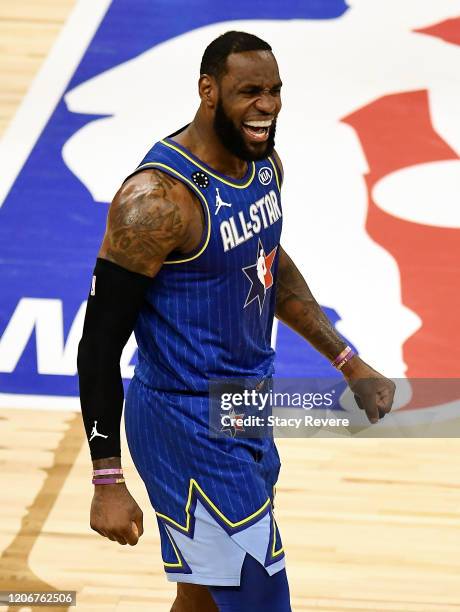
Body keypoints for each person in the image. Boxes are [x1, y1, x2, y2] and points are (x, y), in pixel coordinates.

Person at [77, 31, 395, 612]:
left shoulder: (264, 165)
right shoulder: (155, 202)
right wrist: (106, 480)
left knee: (201, 600)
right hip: (186, 421)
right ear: (208, 92)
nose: (267, 105)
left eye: (274, 91)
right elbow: (98, 345)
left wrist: (348, 361)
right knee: (263, 600)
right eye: (250, 91)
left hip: (246, 406)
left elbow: (267, 265)